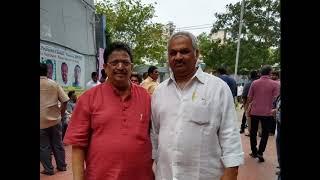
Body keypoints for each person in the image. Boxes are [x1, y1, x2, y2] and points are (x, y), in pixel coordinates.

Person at [151, 31, 244, 180]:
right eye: (173, 53)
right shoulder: (159, 92)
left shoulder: (217, 88)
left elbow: (230, 133)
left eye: (184, 51)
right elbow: (155, 134)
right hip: (166, 175)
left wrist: (231, 172)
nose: (178, 57)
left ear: (197, 53)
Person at [64, 42, 153, 180]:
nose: (120, 67)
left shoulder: (146, 97)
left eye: (125, 62)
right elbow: (78, 146)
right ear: (105, 67)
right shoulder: (88, 98)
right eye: (114, 62)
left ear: (132, 66)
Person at [246, 65, 280, 163]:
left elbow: (249, 97)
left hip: (255, 111)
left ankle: (254, 151)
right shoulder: (275, 84)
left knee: (253, 131)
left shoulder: (254, 83)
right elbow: (276, 98)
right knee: (265, 133)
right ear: (270, 72)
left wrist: (247, 108)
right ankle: (260, 152)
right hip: (267, 112)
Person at [40, 63, 69, 175]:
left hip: (40, 122)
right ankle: (62, 166)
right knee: (58, 144)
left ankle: (48, 169)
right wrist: (61, 115)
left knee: (43, 147)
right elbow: (65, 100)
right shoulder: (54, 84)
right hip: (55, 120)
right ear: (47, 71)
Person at [240, 70, 259, 135]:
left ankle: (242, 128)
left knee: (245, 116)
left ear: (250, 75)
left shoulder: (248, 83)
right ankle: (258, 131)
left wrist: (244, 104)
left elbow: (244, 95)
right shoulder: (258, 83)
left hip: (248, 103)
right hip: (257, 103)